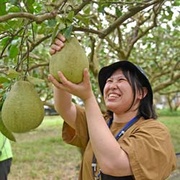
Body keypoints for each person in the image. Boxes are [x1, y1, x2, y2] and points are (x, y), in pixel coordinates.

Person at [48, 34, 176, 180]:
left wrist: (88, 98)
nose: (112, 86)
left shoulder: (155, 132)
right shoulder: (99, 122)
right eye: (109, 81)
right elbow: (64, 107)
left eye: (121, 80)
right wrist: (59, 63)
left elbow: (114, 164)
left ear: (141, 92)